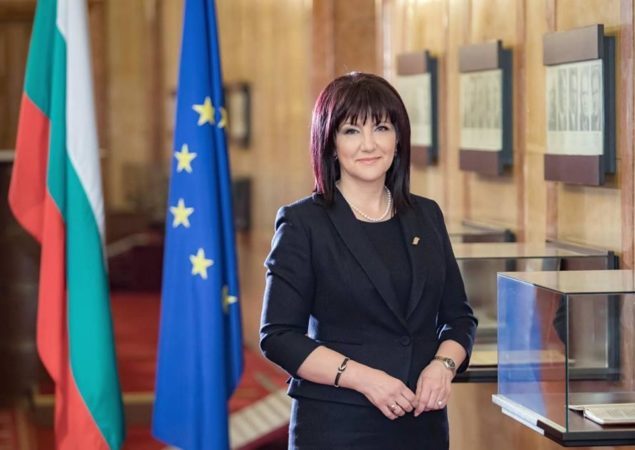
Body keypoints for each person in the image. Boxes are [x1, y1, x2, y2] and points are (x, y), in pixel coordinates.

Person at [260, 72, 478, 450]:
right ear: (330, 144)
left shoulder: (426, 215)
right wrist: (365, 379)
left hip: (421, 424)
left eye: (380, 128)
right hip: (337, 425)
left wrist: (443, 366)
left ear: (398, 138)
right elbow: (278, 337)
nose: (368, 144)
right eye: (351, 131)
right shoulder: (303, 223)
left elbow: (458, 317)